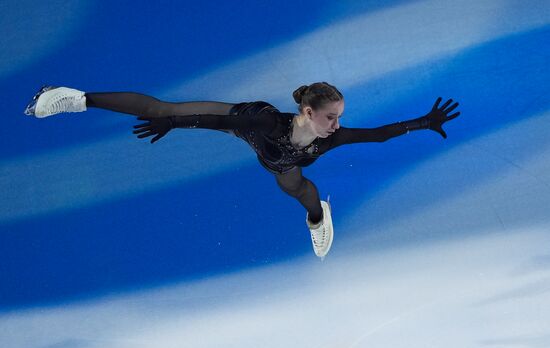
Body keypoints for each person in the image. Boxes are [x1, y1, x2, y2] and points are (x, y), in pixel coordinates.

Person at [24, 82, 460, 259]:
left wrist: (423, 122)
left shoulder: (331, 138)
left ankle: (317, 218)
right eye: (331, 117)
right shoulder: (267, 120)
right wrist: (172, 123)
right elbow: (222, 123)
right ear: (307, 111)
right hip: (254, 132)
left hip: (287, 163)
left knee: (299, 191)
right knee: (163, 107)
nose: (338, 124)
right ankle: (73, 97)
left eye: (340, 116)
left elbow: (378, 135)